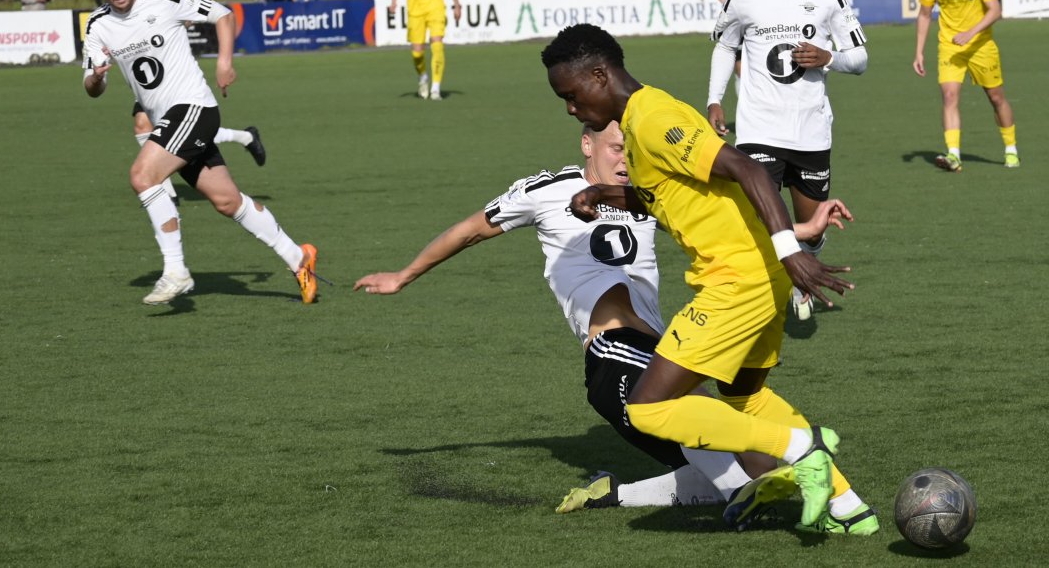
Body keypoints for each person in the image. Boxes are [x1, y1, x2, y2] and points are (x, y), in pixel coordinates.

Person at [353, 122, 854, 527]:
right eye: (616, 148)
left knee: (741, 468)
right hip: (615, 352)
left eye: (630, 150)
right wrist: (404, 275)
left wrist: (803, 230)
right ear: (587, 144)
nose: (624, 159)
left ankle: (614, 493)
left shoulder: (647, 194)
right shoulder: (550, 190)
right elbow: (470, 229)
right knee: (745, 469)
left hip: (657, 354)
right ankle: (779, 467)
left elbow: (724, 226)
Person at [541, 23, 877, 537]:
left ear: (599, 74)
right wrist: (603, 196)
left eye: (571, 94)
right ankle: (848, 507)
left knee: (649, 408)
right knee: (746, 396)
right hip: (757, 274)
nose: (570, 108)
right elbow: (663, 195)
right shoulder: (637, 122)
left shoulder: (654, 118)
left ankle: (800, 449)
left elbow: (748, 169)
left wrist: (792, 250)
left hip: (738, 279)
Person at [81, 0, 318, 306]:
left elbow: (223, 15)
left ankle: (175, 270)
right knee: (227, 201)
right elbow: (91, 88)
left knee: (143, 175)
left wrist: (224, 63)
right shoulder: (98, 25)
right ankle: (298, 257)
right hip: (169, 121)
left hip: (194, 108)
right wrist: (97, 78)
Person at [706, 0, 868, 323]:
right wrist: (715, 98)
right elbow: (725, 46)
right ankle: (758, 301)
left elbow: (860, 59)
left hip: (811, 131)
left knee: (810, 230)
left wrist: (828, 58)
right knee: (759, 221)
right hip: (758, 129)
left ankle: (802, 274)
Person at [124, 0, 266, 209]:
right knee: (155, 127)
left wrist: (223, 62)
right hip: (149, 74)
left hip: (169, 75)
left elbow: (197, 15)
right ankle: (245, 138)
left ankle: (165, 192)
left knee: (156, 127)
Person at [913, 0, 1019, 171]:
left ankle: (1011, 149)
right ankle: (954, 155)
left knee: (996, 97)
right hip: (950, 46)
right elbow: (925, 15)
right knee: (949, 96)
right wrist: (918, 52)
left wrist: (970, 33)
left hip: (981, 45)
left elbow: (995, 10)